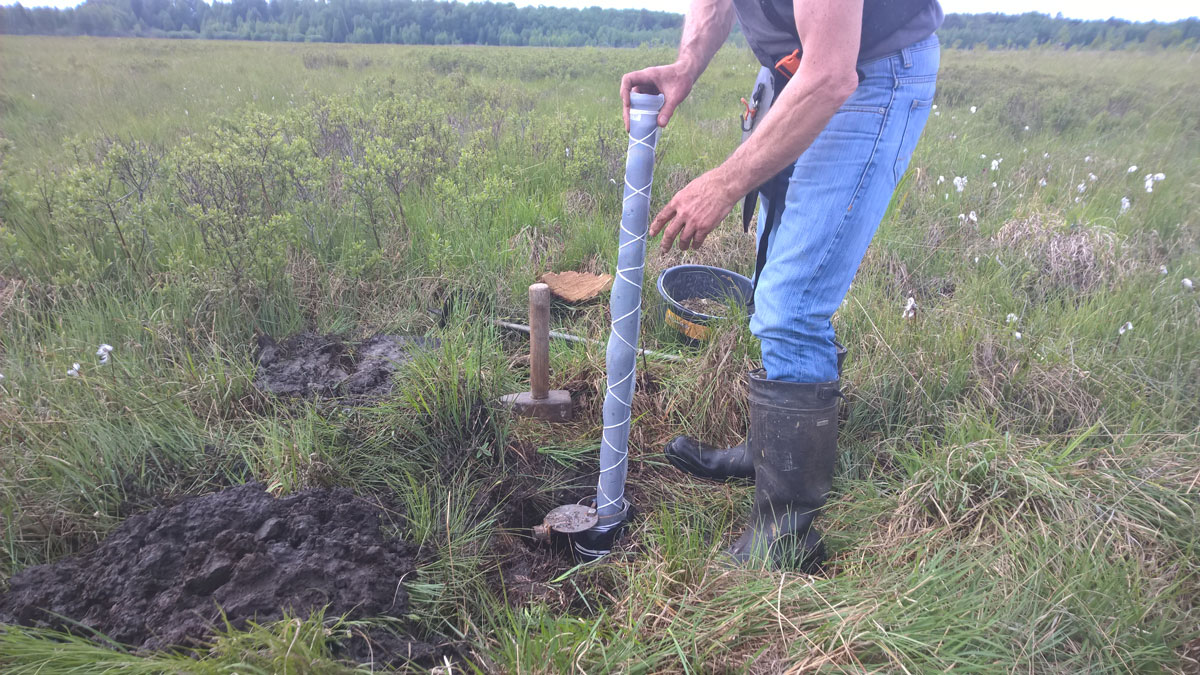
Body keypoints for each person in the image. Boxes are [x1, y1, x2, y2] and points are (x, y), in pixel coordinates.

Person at [620, 0, 942, 569]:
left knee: (791, 304)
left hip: (865, 75)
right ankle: (774, 452)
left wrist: (724, 183)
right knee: (773, 270)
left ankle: (786, 536)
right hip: (795, 69)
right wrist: (685, 66)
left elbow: (831, 75)